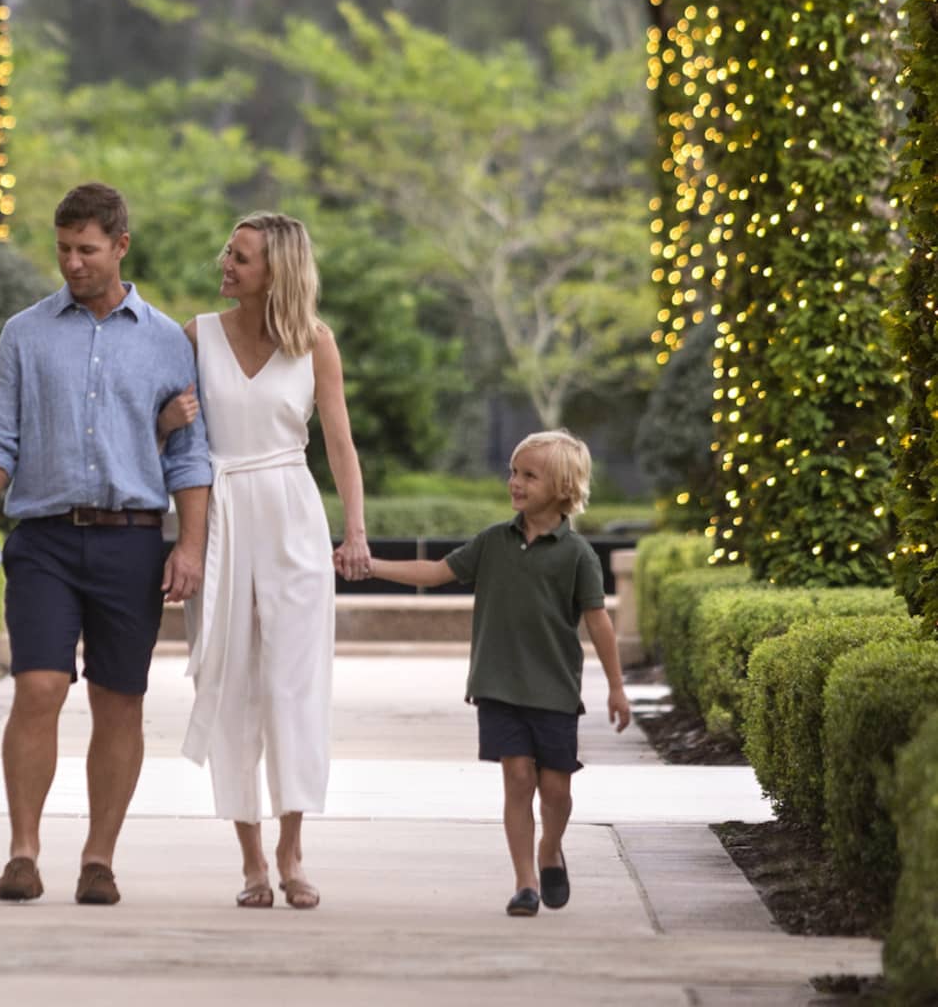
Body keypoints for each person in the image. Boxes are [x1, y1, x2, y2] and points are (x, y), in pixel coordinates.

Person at [0, 181, 212, 907]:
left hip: (132, 543)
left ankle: (99, 858)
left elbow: (191, 459)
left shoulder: (166, 341)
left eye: (87, 250)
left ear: (121, 246)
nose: (72, 263)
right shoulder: (25, 334)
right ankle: (23, 852)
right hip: (43, 540)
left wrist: (188, 547)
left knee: (118, 700)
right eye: (63, 249)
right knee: (37, 687)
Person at [172, 211, 370, 910]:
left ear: (276, 271)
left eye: (243, 257)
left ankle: (293, 848)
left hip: (292, 516)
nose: (227, 265)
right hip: (222, 518)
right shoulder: (195, 335)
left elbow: (340, 446)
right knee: (229, 687)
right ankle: (251, 858)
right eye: (228, 252)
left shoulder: (315, 343)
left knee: (294, 688)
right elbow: (169, 435)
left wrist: (356, 532)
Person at [358, 428, 631, 918]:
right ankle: (525, 882)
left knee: (556, 791)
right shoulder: (493, 542)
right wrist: (371, 565)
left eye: (530, 475)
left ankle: (551, 848)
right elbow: (437, 571)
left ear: (563, 487)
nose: (515, 482)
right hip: (498, 685)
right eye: (513, 472)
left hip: (554, 690)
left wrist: (616, 688)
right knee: (518, 779)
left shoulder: (578, 556)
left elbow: (598, 621)